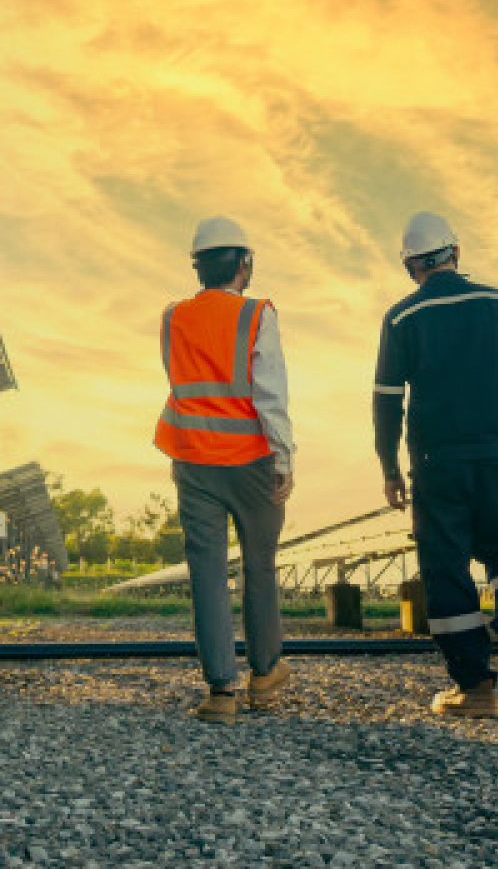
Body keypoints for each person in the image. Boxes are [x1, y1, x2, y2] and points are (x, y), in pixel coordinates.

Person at [373, 211, 498, 715]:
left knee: (446, 565)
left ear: (410, 266)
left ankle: (475, 688)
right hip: (497, 453)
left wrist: (389, 466)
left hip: (436, 460)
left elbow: (387, 401)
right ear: (457, 253)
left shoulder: (402, 317)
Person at [155, 216, 297, 723]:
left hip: (193, 461)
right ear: (243, 263)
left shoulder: (174, 317)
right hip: (253, 462)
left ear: (198, 267)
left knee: (208, 573)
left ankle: (221, 694)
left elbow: (179, 378)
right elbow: (270, 392)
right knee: (259, 565)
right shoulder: (258, 314)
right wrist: (284, 457)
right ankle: (265, 675)